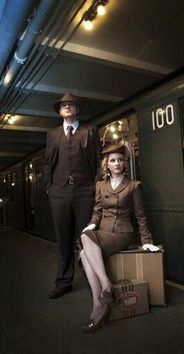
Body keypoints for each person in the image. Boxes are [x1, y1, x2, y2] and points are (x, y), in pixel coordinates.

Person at [78, 143, 159, 333]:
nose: (117, 163)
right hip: (103, 231)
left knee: (84, 248)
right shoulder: (100, 185)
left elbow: (140, 216)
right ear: (107, 164)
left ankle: (101, 297)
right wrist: (91, 224)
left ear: (125, 163)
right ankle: (99, 302)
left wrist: (147, 241)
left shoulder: (133, 186)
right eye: (113, 160)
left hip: (123, 234)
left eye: (120, 160)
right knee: (83, 250)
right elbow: (97, 211)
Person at [44, 92, 102, 299]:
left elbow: (98, 162)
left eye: (71, 104)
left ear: (77, 109)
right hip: (59, 193)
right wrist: (49, 187)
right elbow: (48, 163)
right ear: (60, 111)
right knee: (64, 240)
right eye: (63, 105)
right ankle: (64, 282)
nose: (67, 107)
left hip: (85, 191)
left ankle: (93, 279)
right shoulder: (52, 134)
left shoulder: (90, 131)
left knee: (88, 239)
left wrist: (95, 186)